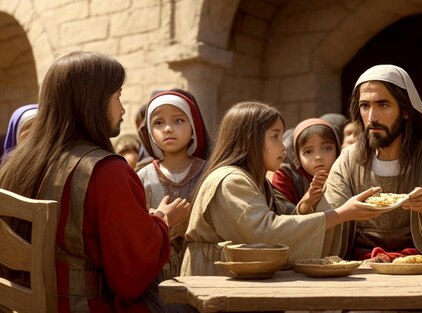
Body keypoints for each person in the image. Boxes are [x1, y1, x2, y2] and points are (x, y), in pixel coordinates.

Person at [0, 51, 192, 312]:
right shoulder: (107, 173)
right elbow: (130, 277)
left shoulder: (13, 166)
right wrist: (161, 222)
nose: (123, 109)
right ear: (94, 101)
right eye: (118, 96)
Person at [181, 101, 386, 276]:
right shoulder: (230, 180)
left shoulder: (255, 181)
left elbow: (282, 222)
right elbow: (266, 234)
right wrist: (341, 214)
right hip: (212, 278)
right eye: (275, 136)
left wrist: (305, 205)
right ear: (252, 139)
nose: (283, 147)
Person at [315, 64, 422, 261]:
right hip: (360, 269)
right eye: (365, 106)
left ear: (405, 110)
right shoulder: (347, 161)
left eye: (383, 105)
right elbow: (329, 219)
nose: (372, 117)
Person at [137, 89, 210, 280]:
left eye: (178, 120)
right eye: (158, 123)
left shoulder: (209, 173)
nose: (168, 129)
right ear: (151, 133)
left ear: (193, 127)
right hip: (156, 274)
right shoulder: (142, 177)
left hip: (201, 270)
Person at [272, 118, 340, 214]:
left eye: (327, 148)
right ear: (297, 158)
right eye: (308, 151)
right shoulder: (285, 176)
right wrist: (307, 202)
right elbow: (282, 220)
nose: (318, 157)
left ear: (337, 150)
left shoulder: (346, 170)